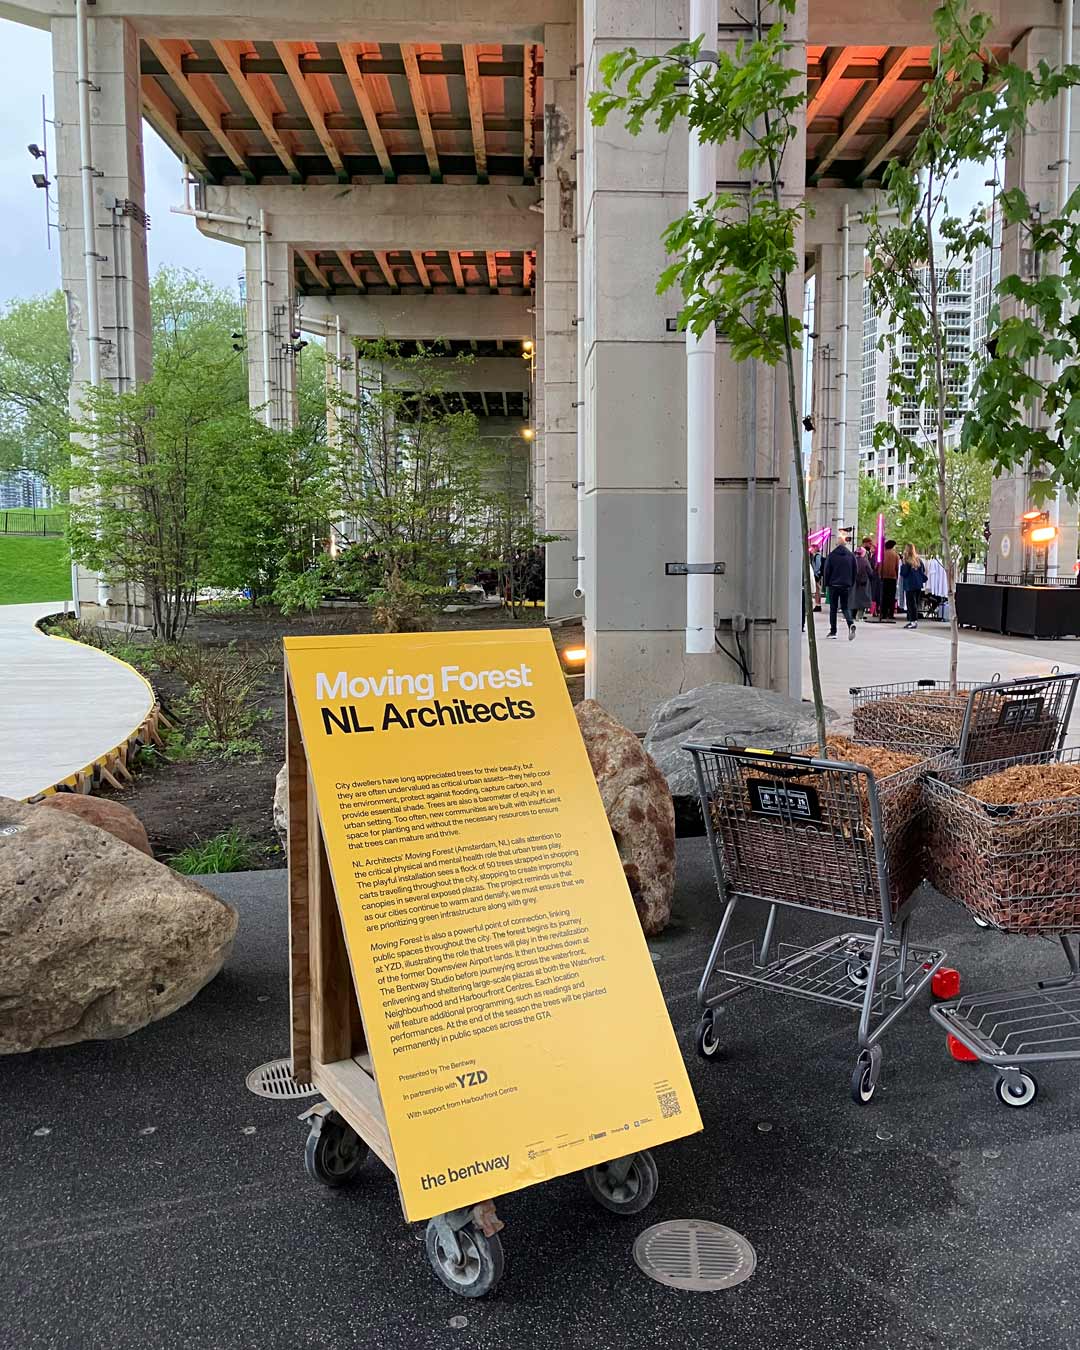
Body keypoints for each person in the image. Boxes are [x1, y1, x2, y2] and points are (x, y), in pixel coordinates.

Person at [823, 535, 857, 640]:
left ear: (837, 545)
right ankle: (850, 623)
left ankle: (833, 631)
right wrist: (851, 583)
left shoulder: (832, 555)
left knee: (833, 608)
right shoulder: (851, 556)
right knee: (845, 607)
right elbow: (855, 570)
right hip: (845, 585)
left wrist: (826, 583)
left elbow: (827, 570)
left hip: (833, 585)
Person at [900, 543, 927, 628]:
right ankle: (914, 621)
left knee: (910, 603)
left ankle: (913, 621)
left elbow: (904, 573)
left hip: (909, 584)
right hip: (918, 584)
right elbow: (923, 570)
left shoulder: (906, 561)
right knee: (915, 603)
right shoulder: (918, 560)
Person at [879, 539, 900, 622]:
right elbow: (897, 567)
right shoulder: (896, 555)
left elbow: (879, 566)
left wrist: (880, 575)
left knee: (883, 596)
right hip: (892, 578)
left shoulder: (882, 554)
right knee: (891, 597)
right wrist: (897, 577)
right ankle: (890, 614)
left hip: (884, 577)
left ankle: (883, 613)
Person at [851, 547, 874, 621]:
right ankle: (859, 616)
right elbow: (870, 572)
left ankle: (852, 615)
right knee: (863, 601)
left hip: (853, 583)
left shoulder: (852, 560)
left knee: (853, 599)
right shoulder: (865, 561)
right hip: (863, 583)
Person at [809, 545, 824, 610]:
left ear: (815, 548)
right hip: (817, 574)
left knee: (817, 590)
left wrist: (814, 573)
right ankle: (817, 604)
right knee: (817, 589)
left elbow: (818, 566)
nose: (811, 549)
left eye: (812, 548)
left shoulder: (817, 556)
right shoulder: (816, 556)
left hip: (816, 575)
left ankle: (818, 604)